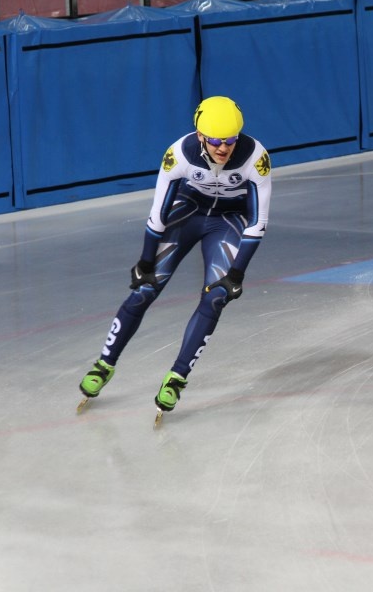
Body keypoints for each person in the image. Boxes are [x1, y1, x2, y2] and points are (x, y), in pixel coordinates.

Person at [78, 96, 272, 415]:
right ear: (200, 137)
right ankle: (104, 365)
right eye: (215, 142)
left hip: (229, 221)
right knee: (144, 289)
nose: (224, 148)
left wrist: (237, 274)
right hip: (189, 212)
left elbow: (257, 222)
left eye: (231, 141)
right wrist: (144, 261)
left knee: (215, 297)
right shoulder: (179, 153)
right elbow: (158, 213)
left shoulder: (256, 157)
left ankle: (177, 377)